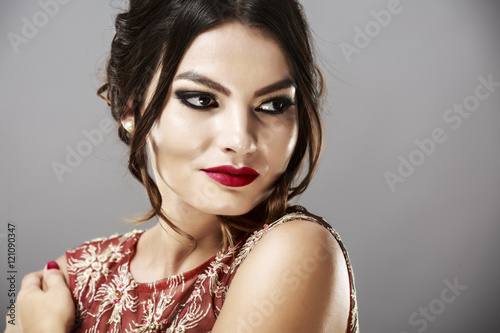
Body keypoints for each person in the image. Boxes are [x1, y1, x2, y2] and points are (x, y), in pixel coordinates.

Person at [5, 0, 359, 332]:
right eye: (203, 100)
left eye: (273, 105)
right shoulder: (69, 280)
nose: (242, 140)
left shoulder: (298, 254)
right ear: (131, 107)